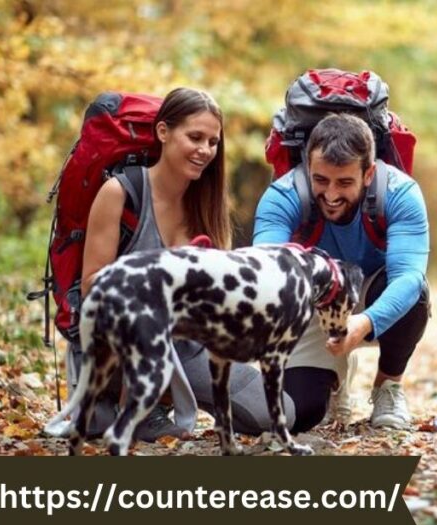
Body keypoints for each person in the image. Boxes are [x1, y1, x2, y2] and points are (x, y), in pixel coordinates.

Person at [71, 87, 318, 441]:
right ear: (163, 132)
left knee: (279, 413)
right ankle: (138, 409)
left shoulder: (207, 208)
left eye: (213, 142)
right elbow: (92, 282)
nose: (205, 150)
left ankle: (164, 397)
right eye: (195, 137)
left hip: (187, 345)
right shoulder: (120, 193)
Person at [253, 113, 431, 429]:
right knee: (301, 414)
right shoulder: (282, 196)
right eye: (320, 180)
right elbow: (266, 271)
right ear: (308, 167)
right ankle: (333, 381)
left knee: (415, 296)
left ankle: (387, 387)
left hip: (371, 291)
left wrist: (364, 323)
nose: (332, 195)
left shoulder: (401, 194)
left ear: (368, 173)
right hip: (310, 298)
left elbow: (409, 277)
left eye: (344, 182)